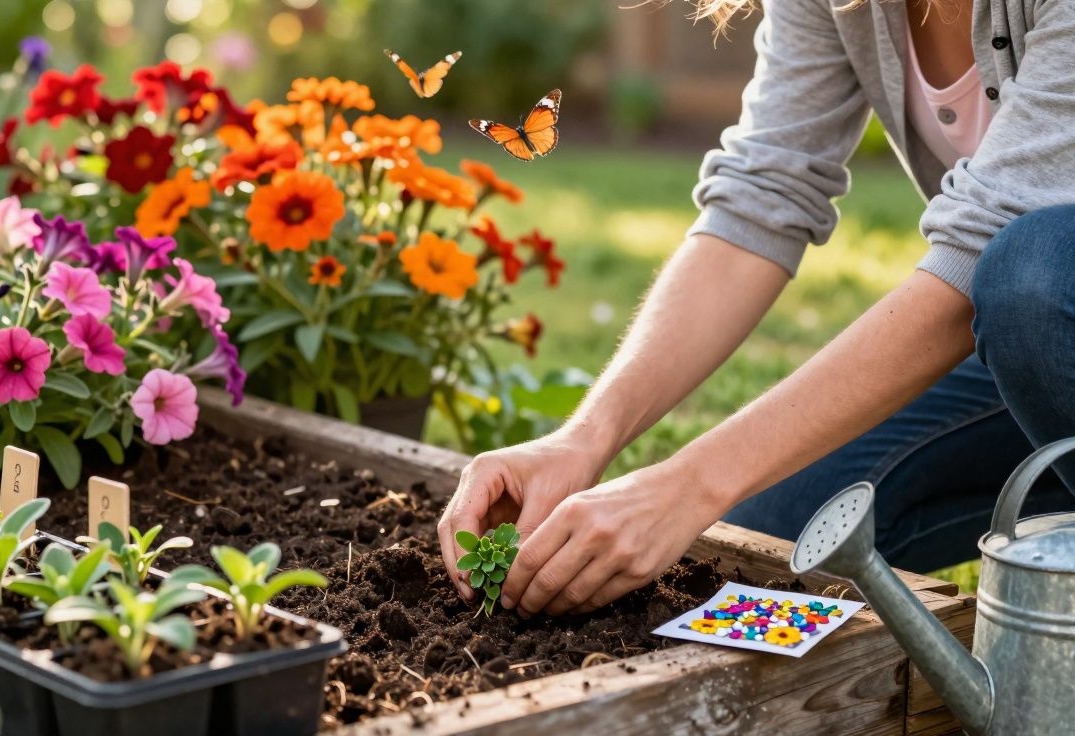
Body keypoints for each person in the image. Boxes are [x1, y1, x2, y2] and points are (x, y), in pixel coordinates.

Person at [439, 0, 1075, 618]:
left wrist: (686, 485)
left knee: (1031, 272)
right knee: (774, 532)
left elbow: (979, 254)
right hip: (1036, 354)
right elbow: (761, 194)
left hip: (1046, 308)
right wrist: (582, 439)